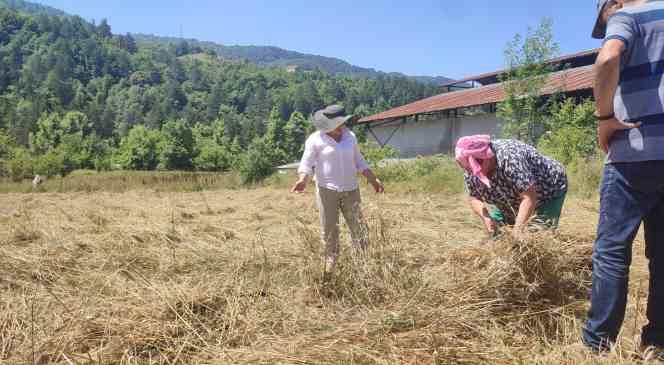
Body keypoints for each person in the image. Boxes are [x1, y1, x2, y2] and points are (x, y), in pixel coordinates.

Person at [583, 0, 664, 351]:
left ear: (613, 3)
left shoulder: (627, 16)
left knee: (612, 252)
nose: (608, 22)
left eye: (604, 17)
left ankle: (598, 346)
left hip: (634, 154)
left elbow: (608, 58)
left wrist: (604, 119)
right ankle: (657, 342)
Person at [291, 105, 384, 280]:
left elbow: (359, 161)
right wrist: (303, 180)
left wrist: (374, 179)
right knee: (330, 231)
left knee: (359, 229)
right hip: (327, 192)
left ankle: (363, 269)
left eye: (341, 122)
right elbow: (306, 163)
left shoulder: (350, 137)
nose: (339, 126)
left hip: (351, 190)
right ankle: (329, 273)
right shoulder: (315, 139)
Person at [456, 135, 567, 239]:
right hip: (510, 199)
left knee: (537, 237)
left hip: (548, 190)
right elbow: (474, 198)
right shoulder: (470, 168)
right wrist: (486, 217)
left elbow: (529, 197)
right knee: (496, 236)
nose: (474, 169)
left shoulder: (510, 158)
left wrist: (517, 230)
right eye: (468, 166)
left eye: (479, 163)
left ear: (488, 156)